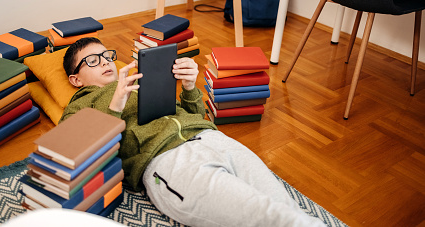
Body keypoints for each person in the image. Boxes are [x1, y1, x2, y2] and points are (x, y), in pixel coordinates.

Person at [60, 37, 325, 227]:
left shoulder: (138, 78)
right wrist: (115, 104)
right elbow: (81, 154)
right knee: (269, 216)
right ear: (76, 79)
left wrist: (189, 86)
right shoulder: (79, 106)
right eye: (92, 61)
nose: (105, 62)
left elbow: (198, 115)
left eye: (107, 55)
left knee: (283, 205)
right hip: (167, 160)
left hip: (212, 138)